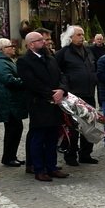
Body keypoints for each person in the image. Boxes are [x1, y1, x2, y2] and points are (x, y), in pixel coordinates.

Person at [17, 31, 69, 182]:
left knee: (52, 137)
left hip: (55, 104)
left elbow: (62, 76)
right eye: (40, 40)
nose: (44, 42)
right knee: (39, 137)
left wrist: (62, 90)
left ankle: (52, 167)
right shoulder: (24, 61)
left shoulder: (50, 58)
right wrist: (50, 94)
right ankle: (39, 169)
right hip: (39, 104)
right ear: (31, 44)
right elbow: (31, 82)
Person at [55, 25, 99, 166]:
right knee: (74, 128)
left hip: (89, 93)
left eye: (82, 34)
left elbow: (93, 68)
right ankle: (71, 154)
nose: (82, 37)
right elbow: (56, 72)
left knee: (89, 124)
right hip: (72, 96)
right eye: (79, 35)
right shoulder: (63, 53)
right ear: (70, 37)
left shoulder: (88, 51)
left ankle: (85, 154)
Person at [0, 38, 27, 167]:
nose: (13, 48)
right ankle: (8, 157)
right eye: (9, 46)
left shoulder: (6, 61)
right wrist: (25, 81)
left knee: (15, 128)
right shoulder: (0, 63)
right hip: (8, 101)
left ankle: (11, 156)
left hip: (12, 99)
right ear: (2, 49)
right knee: (13, 129)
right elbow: (8, 80)